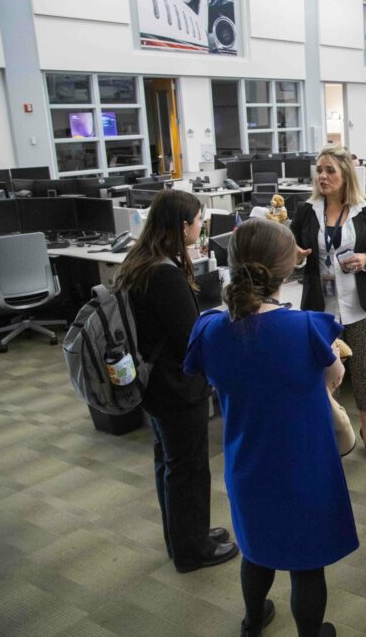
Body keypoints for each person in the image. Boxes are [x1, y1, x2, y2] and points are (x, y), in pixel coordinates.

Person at [184, 219, 357, 637]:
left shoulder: (208, 329)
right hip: (303, 465)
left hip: (248, 460)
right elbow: (332, 378)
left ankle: (251, 622)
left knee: (256, 550)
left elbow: (213, 373)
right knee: (306, 563)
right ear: (286, 271)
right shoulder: (306, 328)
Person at [112, 190, 239, 574]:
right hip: (175, 387)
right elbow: (190, 336)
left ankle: (181, 535)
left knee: (168, 461)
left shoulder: (141, 260)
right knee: (188, 467)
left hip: (154, 383)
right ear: (182, 225)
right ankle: (192, 550)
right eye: (199, 221)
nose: (202, 228)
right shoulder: (164, 274)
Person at [290, 145, 366, 464]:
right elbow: (293, 252)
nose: (322, 176)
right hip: (320, 305)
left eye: (330, 171)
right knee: (325, 369)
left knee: (363, 369)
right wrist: (295, 257)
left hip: (362, 304)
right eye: (319, 170)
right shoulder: (306, 210)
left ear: (345, 175)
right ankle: (333, 430)